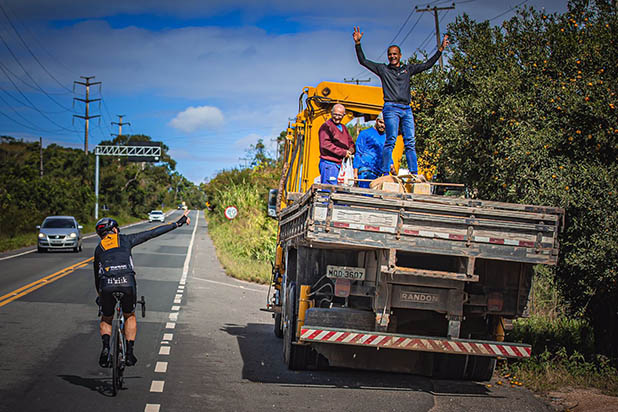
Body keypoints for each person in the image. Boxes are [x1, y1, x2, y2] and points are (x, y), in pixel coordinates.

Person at [94, 210, 191, 368]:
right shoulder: (125, 240)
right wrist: (177, 223)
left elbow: (97, 277)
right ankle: (130, 353)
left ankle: (106, 348)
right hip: (127, 282)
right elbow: (151, 233)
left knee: (106, 318)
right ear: (115, 230)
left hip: (106, 284)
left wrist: (100, 295)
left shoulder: (99, 248)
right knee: (130, 315)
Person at [353, 26, 449, 180]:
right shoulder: (383, 69)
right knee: (390, 139)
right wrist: (358, 44)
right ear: (388, 56)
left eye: (395, 54)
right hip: (391, 107)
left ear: (400, 55)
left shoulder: (408, 69)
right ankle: (385, 172)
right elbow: (363, 61)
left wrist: (440, 50)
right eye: (390, 55)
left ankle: (414, 173)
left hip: (406, 108)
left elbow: (427, 65)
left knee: (410, 141)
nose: (392, 57)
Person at [318, 103, 355, 185]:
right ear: (331, 113)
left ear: (344, 115)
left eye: (340, 115)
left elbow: (351, 143)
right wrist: (343, 152)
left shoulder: (344, 128)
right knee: (329, 190)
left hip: (341, 165)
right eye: (335, 114)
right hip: (330, 164)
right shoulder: (326, 126)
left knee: (341, 190)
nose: (337, 117)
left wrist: (351, 150)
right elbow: (325, 144)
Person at [353, 112, 389, 188]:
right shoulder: (365, 134)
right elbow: (358, 153)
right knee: (366, 196)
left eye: (385, 124)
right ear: (376, 121)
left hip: (379, 173)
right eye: (381, 122)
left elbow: (387, 154)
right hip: (366, 171)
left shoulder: (387, 138)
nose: (383, 125)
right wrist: (355, 173)